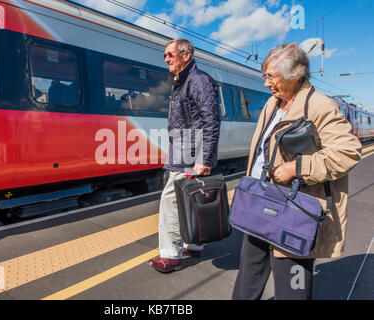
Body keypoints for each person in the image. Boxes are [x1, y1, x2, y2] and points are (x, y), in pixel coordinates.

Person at [232, 42, 362, 300]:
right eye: (264, 75)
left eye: (271, 76)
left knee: (293, 286)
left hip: (294, 213)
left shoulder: (321, 107)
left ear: (296, 75)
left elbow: (348, 152)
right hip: (260, 203)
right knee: (248, 274)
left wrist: (296, 167)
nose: (266, 83)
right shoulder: (272, 104)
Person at [148, 39, 221, 273]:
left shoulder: (198, 81)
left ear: (186, 55)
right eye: (164, 55)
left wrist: (204, 159)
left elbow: (211, 121)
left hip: (190, 155)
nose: (166, 58)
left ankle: (170, 255)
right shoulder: (183, 81)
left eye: (170, 54)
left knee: (170, 203)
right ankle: (195, 244)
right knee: (192, 200)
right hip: (186, 152)